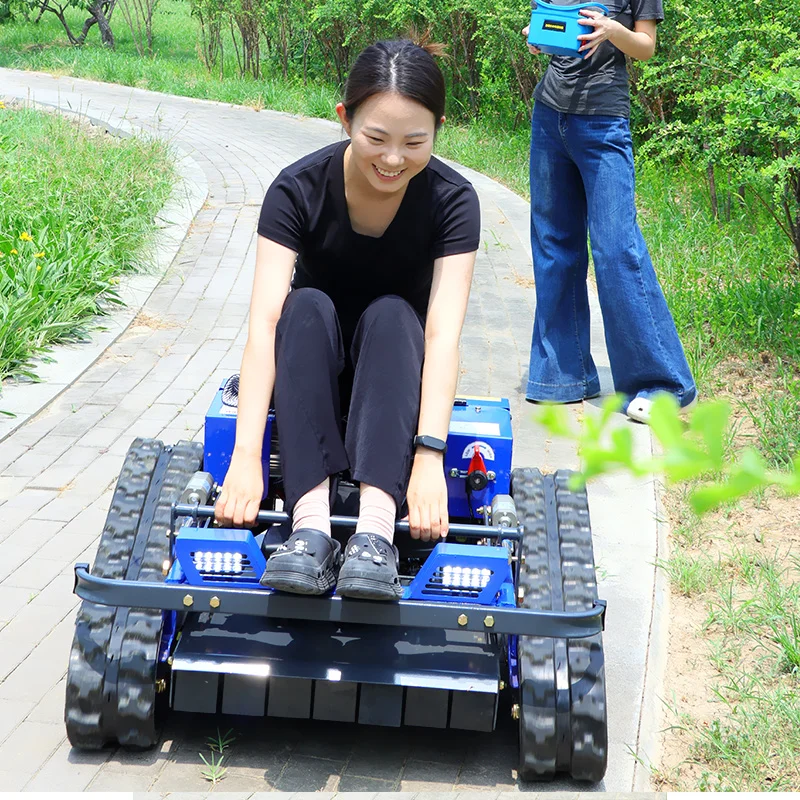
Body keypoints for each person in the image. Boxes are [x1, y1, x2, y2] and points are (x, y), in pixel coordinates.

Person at [214, 39, 480, 601]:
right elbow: (264, 324)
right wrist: (245, 459)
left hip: (395, 379)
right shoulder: (296, 189)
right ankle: (309, 526)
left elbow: (443, 336)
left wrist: (430, 457)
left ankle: (375, 533)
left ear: (438, 130)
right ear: (345, 119)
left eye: (415, 142)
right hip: (309, 373)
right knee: (304, 305)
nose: (392, 160)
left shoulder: (453, 201)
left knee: (393, 314)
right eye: (376, 138)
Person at [522, 0, 696, 423]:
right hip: (549, 117)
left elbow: (646, 47)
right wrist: (537, 41)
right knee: (553, 244)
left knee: (616, 247)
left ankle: (662, 384)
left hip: (602, 123)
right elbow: (545, 33)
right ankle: (563, 375)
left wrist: (610, 31)